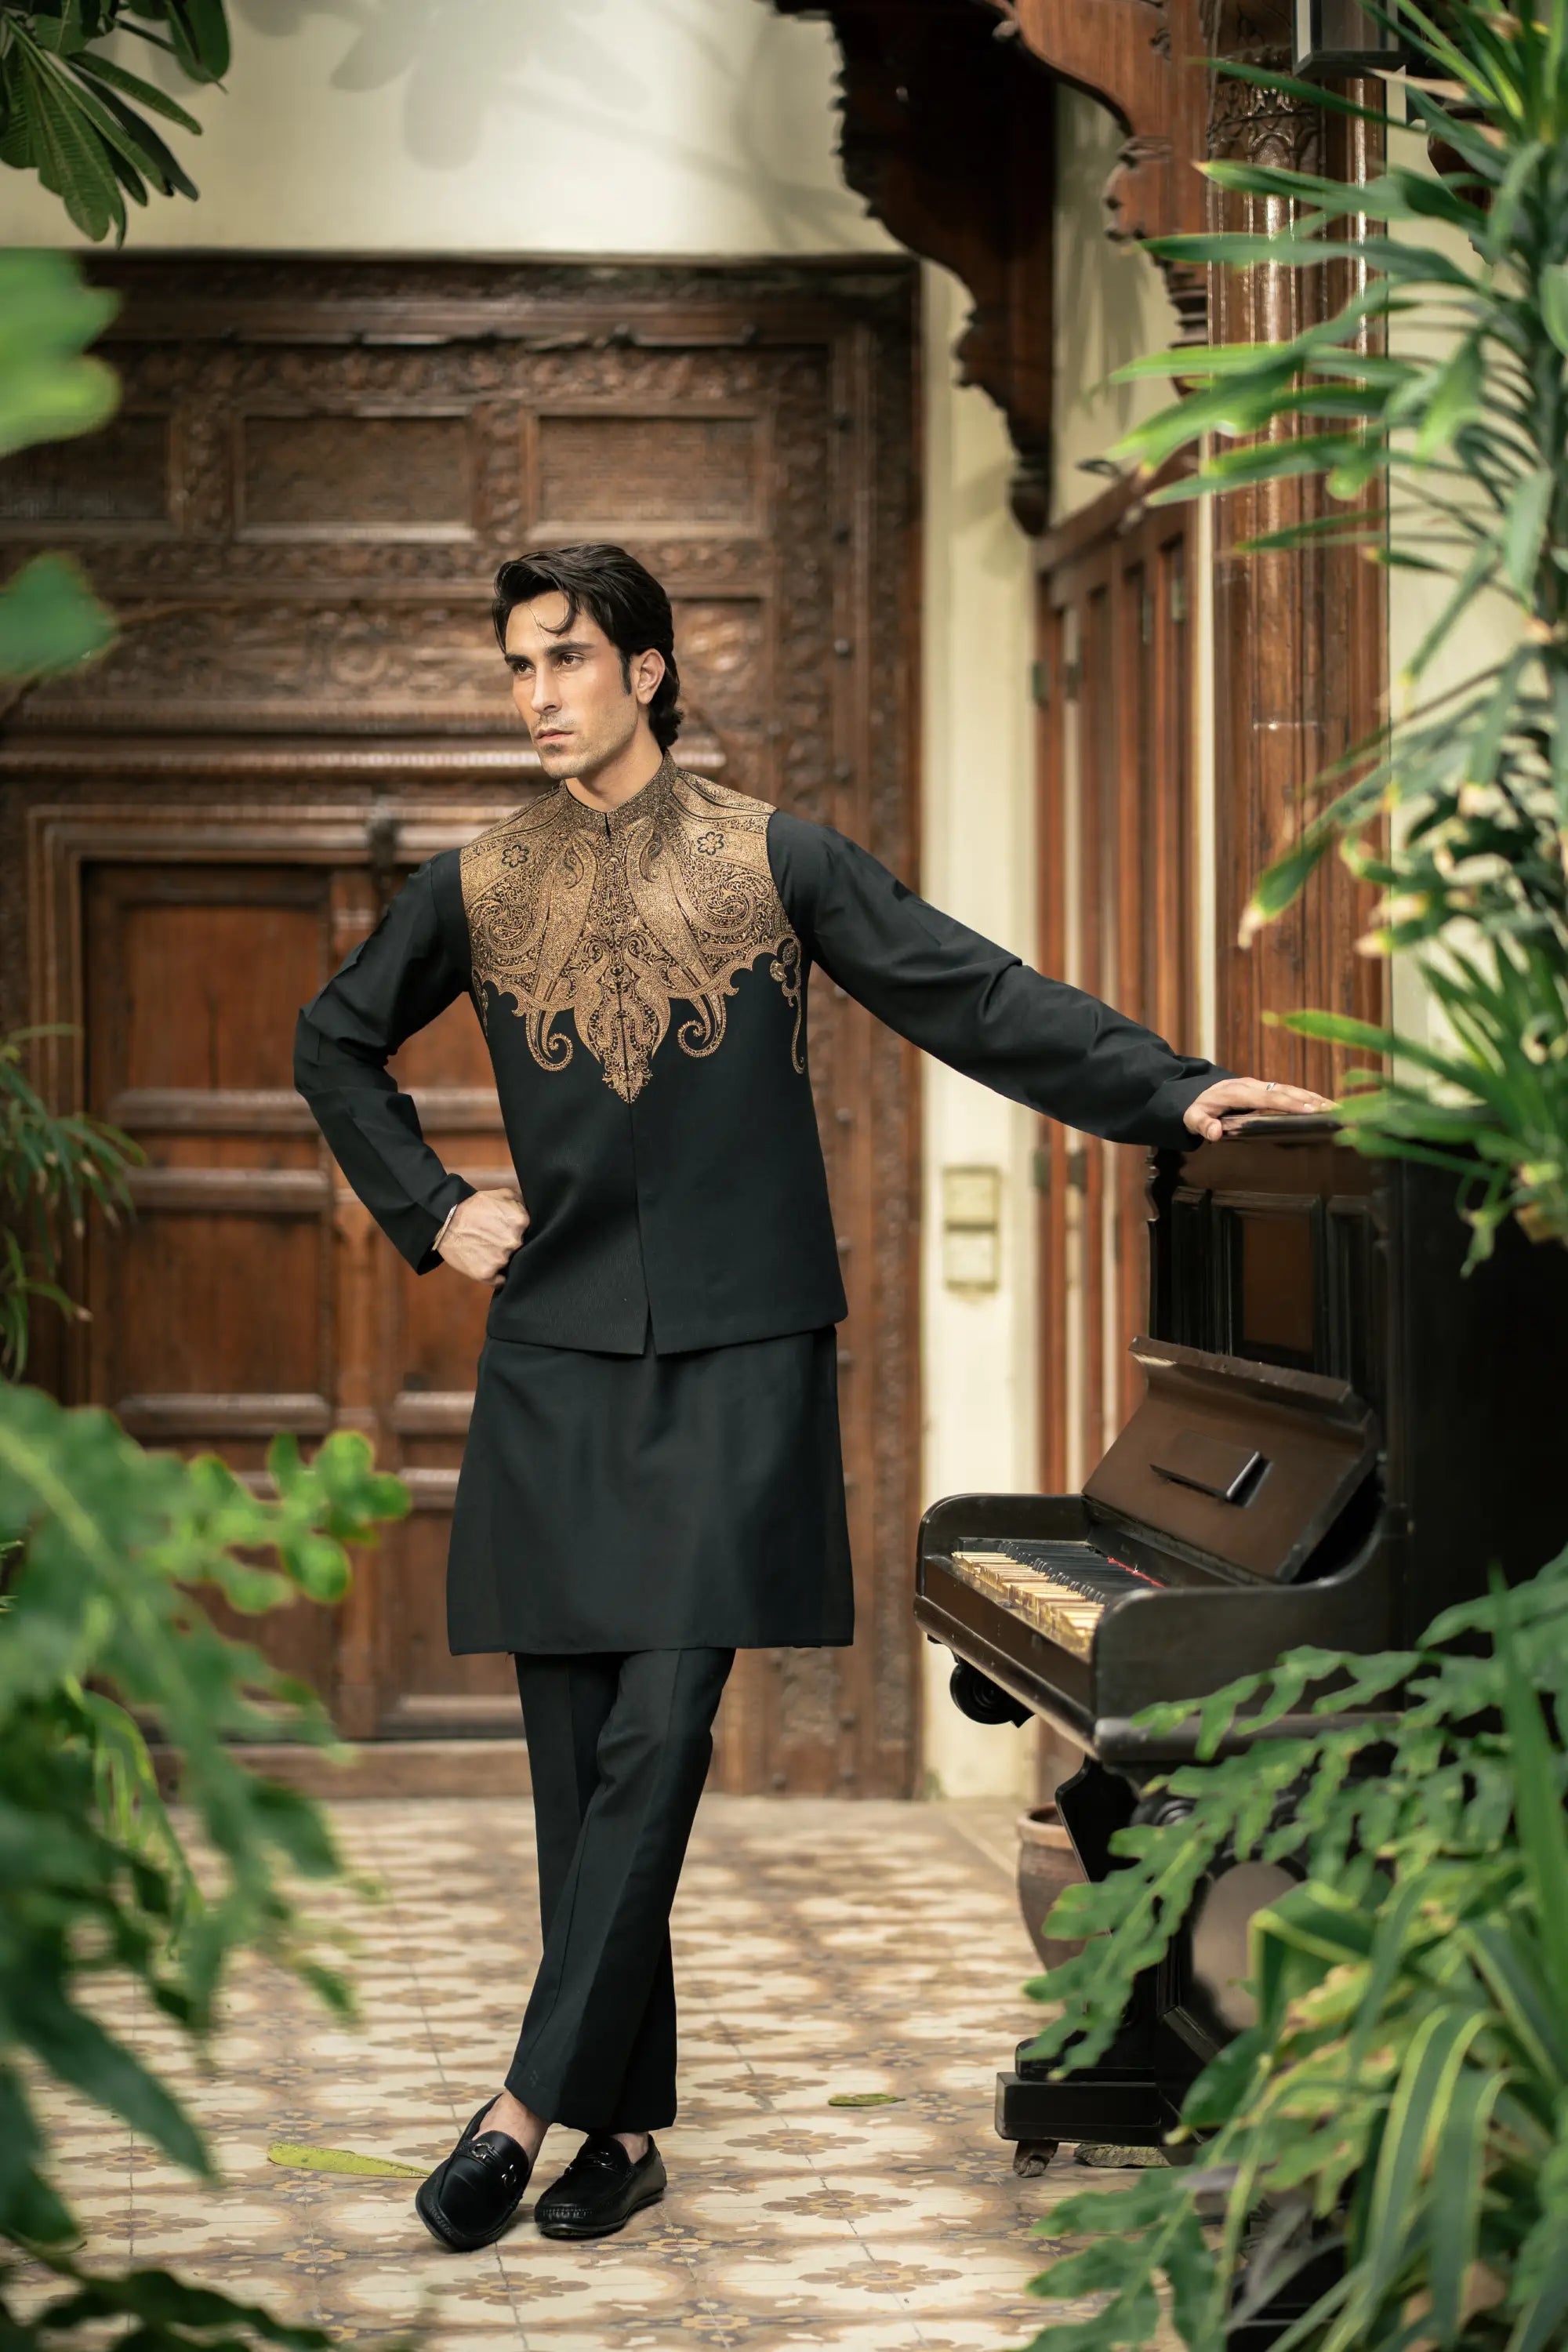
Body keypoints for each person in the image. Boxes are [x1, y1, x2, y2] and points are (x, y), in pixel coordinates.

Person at [292, 542, 1327, 2254]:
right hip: (552, 1370)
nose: (537, 696)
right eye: (515, 669)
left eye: (564, 659)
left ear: (646, 669)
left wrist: (1177, 1086)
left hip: (739, 1365)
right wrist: (433, 1207)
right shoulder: (476, 886)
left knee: (659, 1740)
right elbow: (333, 1041)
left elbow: (969, 993)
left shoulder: (774, 859)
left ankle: (518, 2108)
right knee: (577, 1764)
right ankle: (619, 2134)